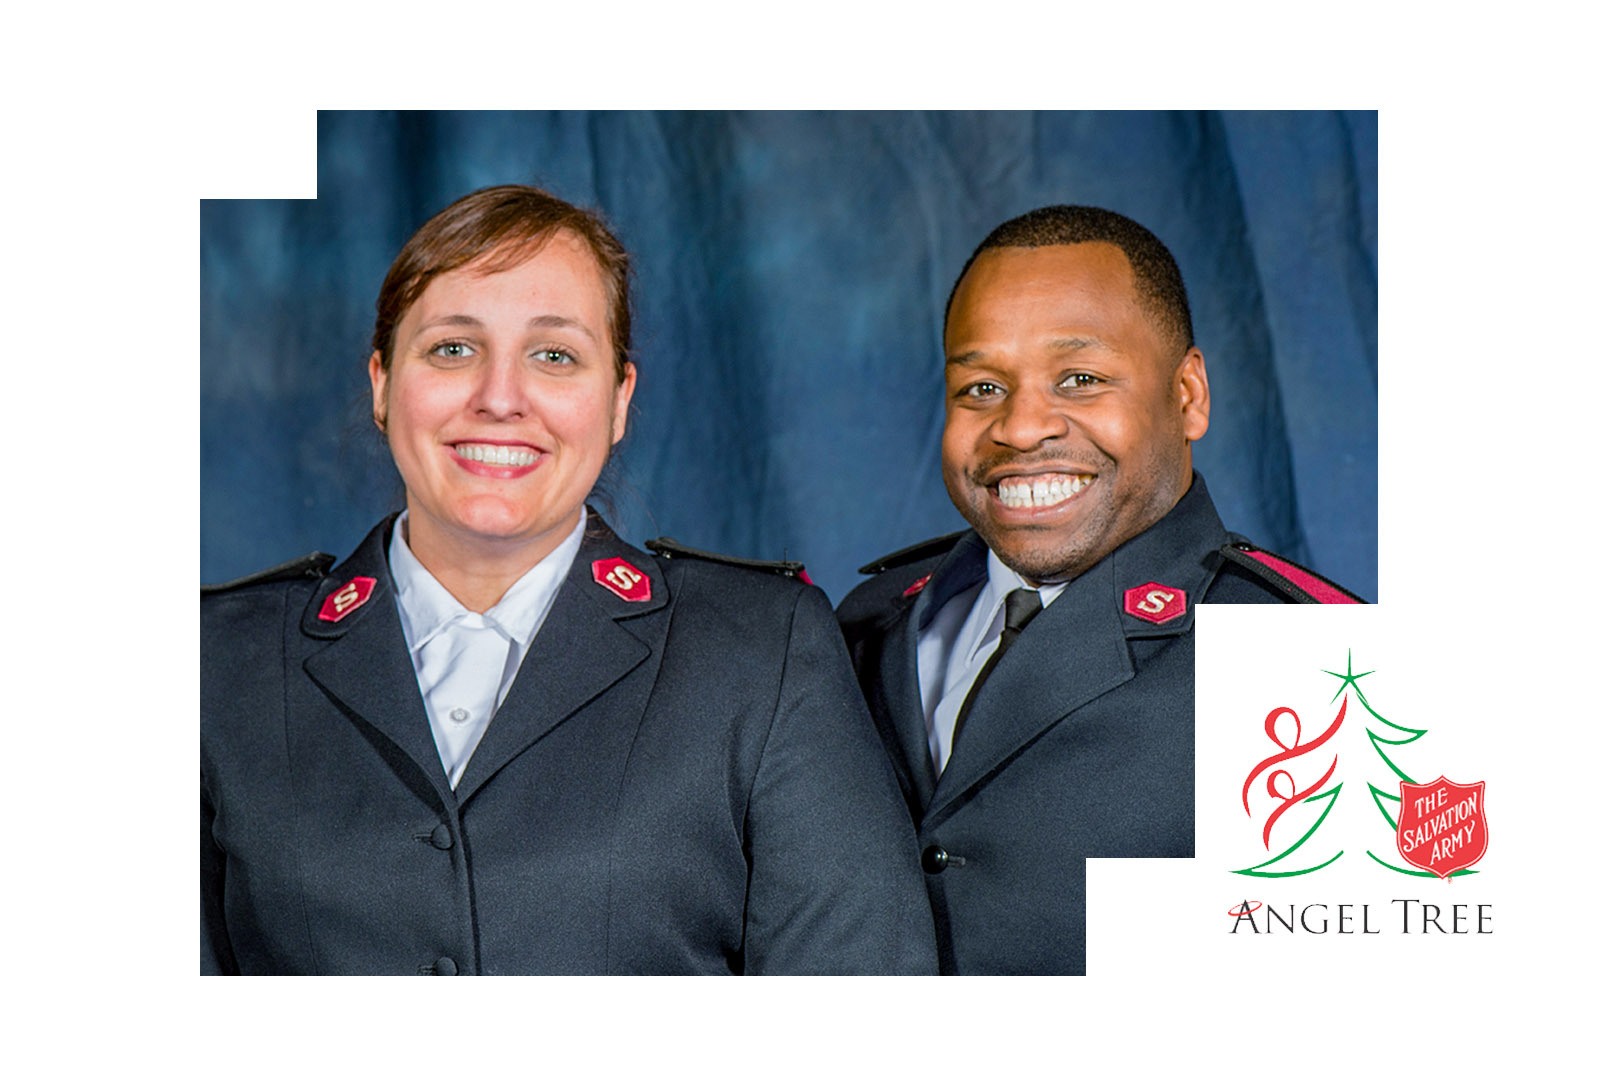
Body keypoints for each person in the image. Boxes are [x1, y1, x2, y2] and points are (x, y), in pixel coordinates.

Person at [201, 185, 936, 975]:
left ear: (619, 399)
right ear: (382, 382)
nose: (500, 398)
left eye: (554, 355)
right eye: (453, 348)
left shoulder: (762, 651)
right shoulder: (217, 663)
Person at [837, 205, 1363, 975]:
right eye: (981, 386)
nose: (1020, 427)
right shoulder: (870, 624)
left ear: (1188, 396)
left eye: (1079, 379)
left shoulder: (1327, 663)